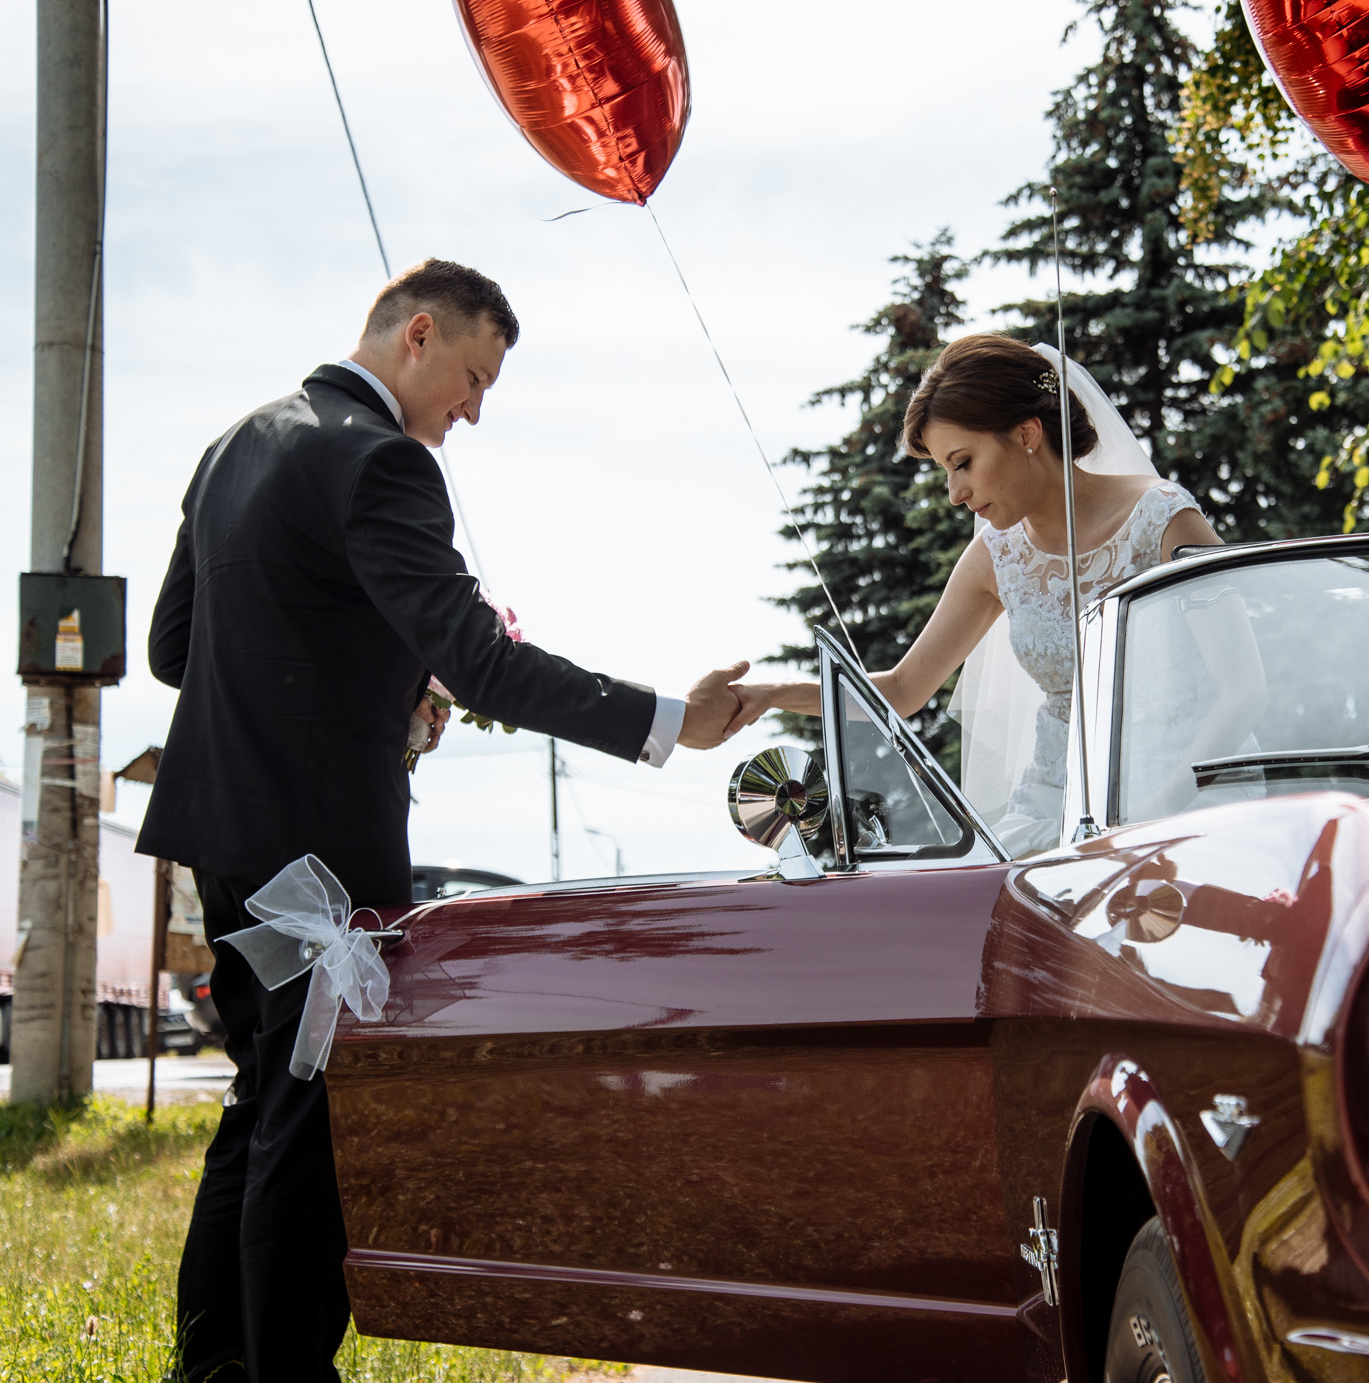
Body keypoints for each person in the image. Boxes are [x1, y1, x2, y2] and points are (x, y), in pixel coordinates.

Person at [136, 258, 745, 1382]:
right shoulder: (382, 464)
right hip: (314, 855)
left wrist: (360, 676)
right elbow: (481, 660)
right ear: (418, 335)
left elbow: (175, 650)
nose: (474, 410)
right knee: (309, 1131)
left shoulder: (235, 443)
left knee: (260, 1104)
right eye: (474, 377)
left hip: (214, 838)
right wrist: (672, 720)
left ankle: (210, 1366)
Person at [729, 334, 1264, 855]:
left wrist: (1137, 823)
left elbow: (1243, 691)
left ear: (1028, 433)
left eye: (962, 462)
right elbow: (901, 690)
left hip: (1189, 800)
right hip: (1055, 806)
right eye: (945, 471)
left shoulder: (1164, 519)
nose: (955, 494)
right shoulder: (996, 556)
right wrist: (769, 696)